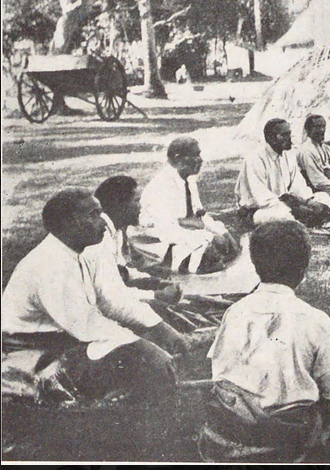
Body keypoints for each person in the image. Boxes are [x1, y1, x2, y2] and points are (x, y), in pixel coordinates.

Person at [200, 221, 330, 462]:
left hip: (231, 432)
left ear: (255, 265)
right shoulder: (314, 320)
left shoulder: (234, 313)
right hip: (290, 443)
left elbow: (219, 375)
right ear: (303, 268)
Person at [2, 189, 188, 405]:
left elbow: (112, 299)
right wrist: (146, 348)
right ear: (70, 222)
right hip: (32, 353)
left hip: (63, 339)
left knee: (141, 348)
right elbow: (85, 324)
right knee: (142, 358)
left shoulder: (80, 251)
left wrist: (160, 328)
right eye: (93, 214)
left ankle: (128, 400)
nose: (102, 222)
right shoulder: (50, 264)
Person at [139, 137, 240, 274]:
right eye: (196, 155)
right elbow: (167, 229)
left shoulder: (189, 180)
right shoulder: (161, 185)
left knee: (229, 241)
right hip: (160, 239)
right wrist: (209, 237)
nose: (200, 160)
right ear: (178, 159)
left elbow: (200, 214)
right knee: (209, 255)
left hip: (184, 233)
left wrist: (223, 233)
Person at [92, 176, 181, 298]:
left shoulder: (117, 232)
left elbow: (123, 272)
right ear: (119, 204)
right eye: (136, 201)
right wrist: (156, 295)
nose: (140, 207)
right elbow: (110, 292)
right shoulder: (100, 237)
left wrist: (156, 282)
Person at [236, 119, 330, 227]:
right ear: (270, 138)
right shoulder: (254, 159)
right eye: (284, 135)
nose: (289, 138)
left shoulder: (288, 155)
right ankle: (302, 219)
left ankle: (302, 218)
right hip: (260, 209)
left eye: (289, 134)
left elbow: (298, 185)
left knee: (324, 197)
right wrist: (294, 207)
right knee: (283, 215)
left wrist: (306, 201)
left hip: (288, 203)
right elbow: (262, 197)